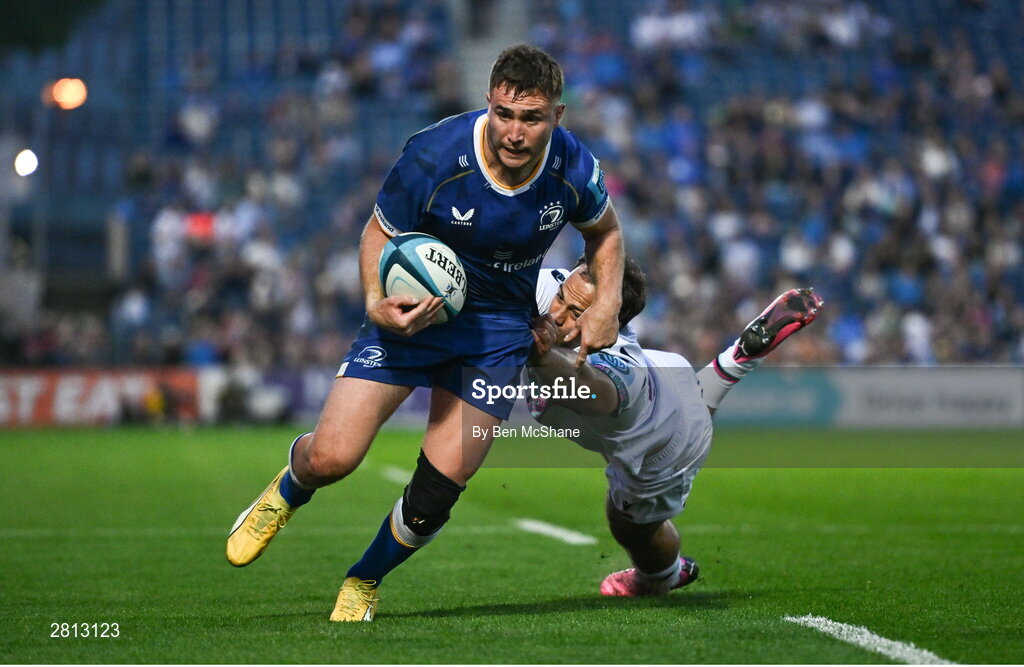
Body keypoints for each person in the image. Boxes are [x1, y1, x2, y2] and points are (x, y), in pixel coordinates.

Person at [226, 44, 626, 621]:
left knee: (438, 490)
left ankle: (364, 579)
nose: (515, 133)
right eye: (504, 115)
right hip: (414, 318)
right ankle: (289, 489)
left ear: (557, 117)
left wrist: (607, 302)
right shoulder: (433, 154)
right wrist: (374, 301)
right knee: (333, 458)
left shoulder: (574, 168)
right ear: (488, 102)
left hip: (496, 335)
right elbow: (378, 232)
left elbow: (606, 233)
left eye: (532, 118)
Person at [528, 259, 822, 595]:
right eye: (562, 297)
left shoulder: (619, 370)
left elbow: (594, 394)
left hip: (665, 445)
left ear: (608, 321)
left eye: (577, 313)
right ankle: (731, 364)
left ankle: (663, 576)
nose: (556, 314)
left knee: (629, 527)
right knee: (690, 401)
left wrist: (540, 356)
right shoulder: (554, 287)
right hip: (667, 374)